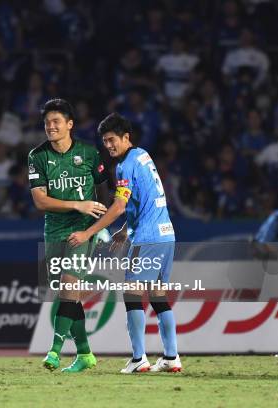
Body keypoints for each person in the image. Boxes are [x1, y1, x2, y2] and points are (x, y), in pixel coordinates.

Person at [68, 112, 181, 373]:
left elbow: (119, 206)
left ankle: (139, 358)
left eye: (112, 140)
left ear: (126, 137)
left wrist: (87, 233)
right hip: (166, 235)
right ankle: (171, 357)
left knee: (131, 295)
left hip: (148, 238)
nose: (108, 146)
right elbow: (143, 200)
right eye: (105, 141)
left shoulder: (124, 166)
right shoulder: (143, 155)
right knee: (158, 296)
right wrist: (124, 230)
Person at [28, 98, 109, 373]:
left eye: (56, 122)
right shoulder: (37, 156)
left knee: (69, 284)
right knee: (66, 293)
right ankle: (85, 353)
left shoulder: (89, 153)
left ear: (69, 125)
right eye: (47, 123)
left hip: (82, 230)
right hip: (54, 229)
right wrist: (77, 203)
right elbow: (40, 201)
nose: (50, 127)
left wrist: (100, 225)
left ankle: (54, 351)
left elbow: (103, 191)